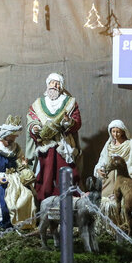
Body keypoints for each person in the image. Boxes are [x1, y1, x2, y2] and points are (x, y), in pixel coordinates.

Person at [26, 72, 82, 203]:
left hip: (63, 143)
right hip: (45, 145)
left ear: (61, 87)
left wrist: (68, 121)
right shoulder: (38, 103)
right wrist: (35, 127)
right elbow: (32, 118)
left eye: (57, 84)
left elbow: (77, 122)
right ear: (47, 85)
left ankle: (68, 200)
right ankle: (44, 199)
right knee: (46, 172)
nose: (54, 86)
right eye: (52, 83)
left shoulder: (69, 103)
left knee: (66, 171)